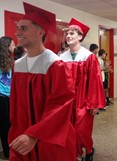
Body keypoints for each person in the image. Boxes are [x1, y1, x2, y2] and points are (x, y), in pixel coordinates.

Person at [8, 3, 76, 161]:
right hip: (22, 141)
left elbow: (60, 106)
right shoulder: (17, 66)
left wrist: (34, 135)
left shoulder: (55, 65)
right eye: (18, 27)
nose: (17, 32)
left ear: (41, 32)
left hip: (49, 141)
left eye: (24, 28)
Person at [60, 18, 105, 161]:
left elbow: (95, 81)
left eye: (72, 33)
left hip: (84, 101)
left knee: (81, 130)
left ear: (80, 37)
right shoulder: (62, 57)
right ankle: (77, 154)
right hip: (67, 101)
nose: (68, 36)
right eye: (67, 33)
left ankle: (89, 149)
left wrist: (95, 104)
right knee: (70, 130)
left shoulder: (88, 56)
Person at [0, 36, 15, 159]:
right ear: (6, 47)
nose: (14, 46)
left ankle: (11, 152)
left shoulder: (11, 60)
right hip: (1, 99)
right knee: (4, 128)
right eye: (12, 44)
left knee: (10, 126)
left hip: (10, 98)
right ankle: (8, 154)